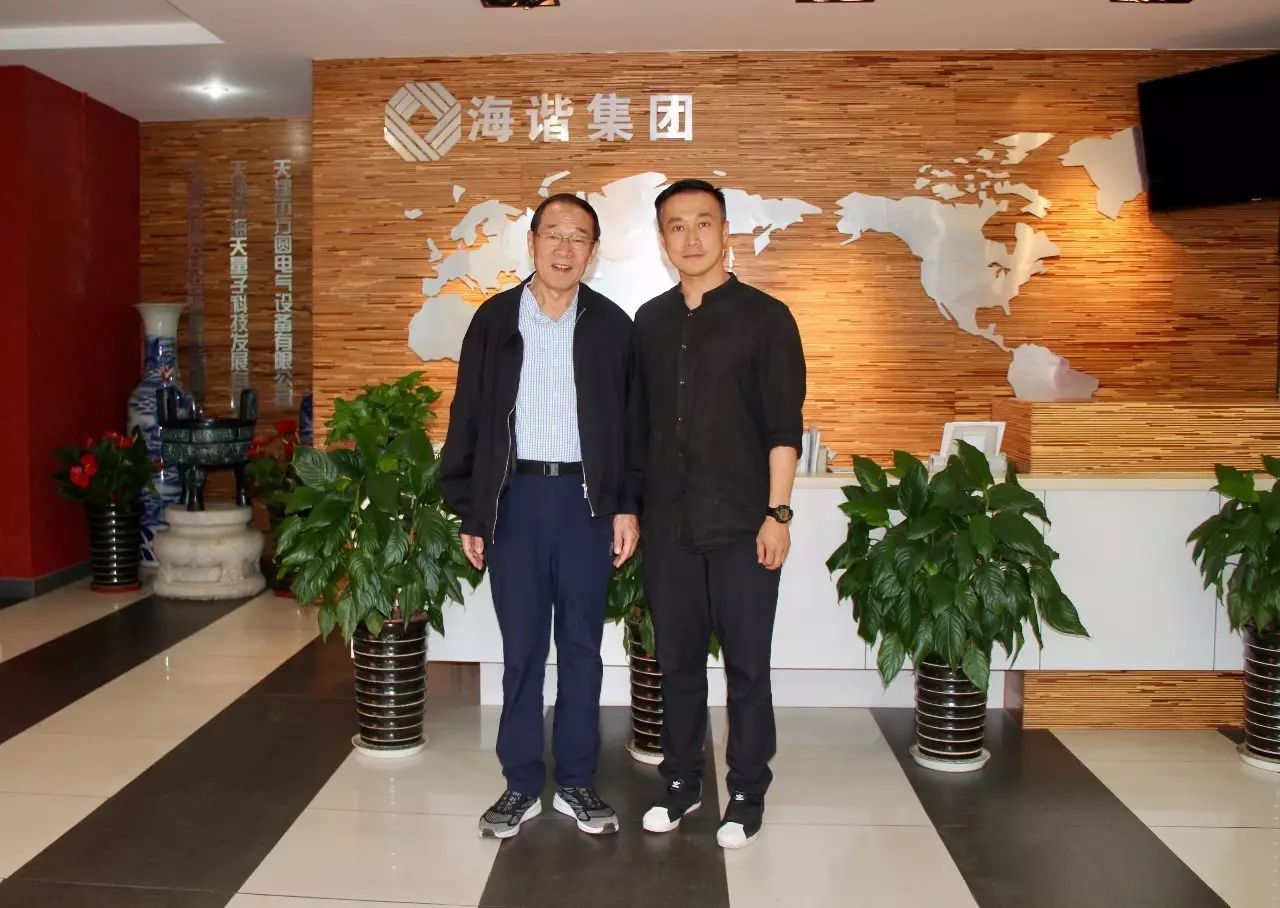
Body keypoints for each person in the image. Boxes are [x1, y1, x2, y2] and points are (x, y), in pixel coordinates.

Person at [441, 193, 641, 840]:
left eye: (579, 237)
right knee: (522, 650)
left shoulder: (612, 326)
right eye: (554, 234)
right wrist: (472, 512)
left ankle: (577, 781)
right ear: (531, 242)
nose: (564, 248)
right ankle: (521, 784)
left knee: (582, 649)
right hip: (515, 501)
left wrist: (626, 505)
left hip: (586, 505)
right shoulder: (495, 320)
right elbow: (469, 416)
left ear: (593, 251)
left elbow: (633, 428)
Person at [632, 179, 805, 850]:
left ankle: (748, 792)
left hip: (742, 526)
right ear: (662, 239)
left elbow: (783, 426)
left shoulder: (767, 318)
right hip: (669, 527)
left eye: (704, 222)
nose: (691, 237)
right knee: (676, 665)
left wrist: (778, 513)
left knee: (747, 668)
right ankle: (681, 783)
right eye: (676, 226)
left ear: (726, 231)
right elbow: (638, 428)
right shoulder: (649, 322)